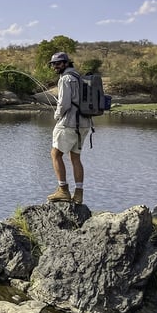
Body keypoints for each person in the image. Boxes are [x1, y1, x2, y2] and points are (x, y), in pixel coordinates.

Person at [47, 52, 91, 205]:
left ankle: (63, 190)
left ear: (66, 63)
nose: (54, 66)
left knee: (55, 154)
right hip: (85, 123)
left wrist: (56, 116)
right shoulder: (79, 77)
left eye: (58, 63)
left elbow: (64, 104)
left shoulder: (66, 79)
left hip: (69, 123)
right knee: (75, 158)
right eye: (53, 64)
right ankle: (78, 194)